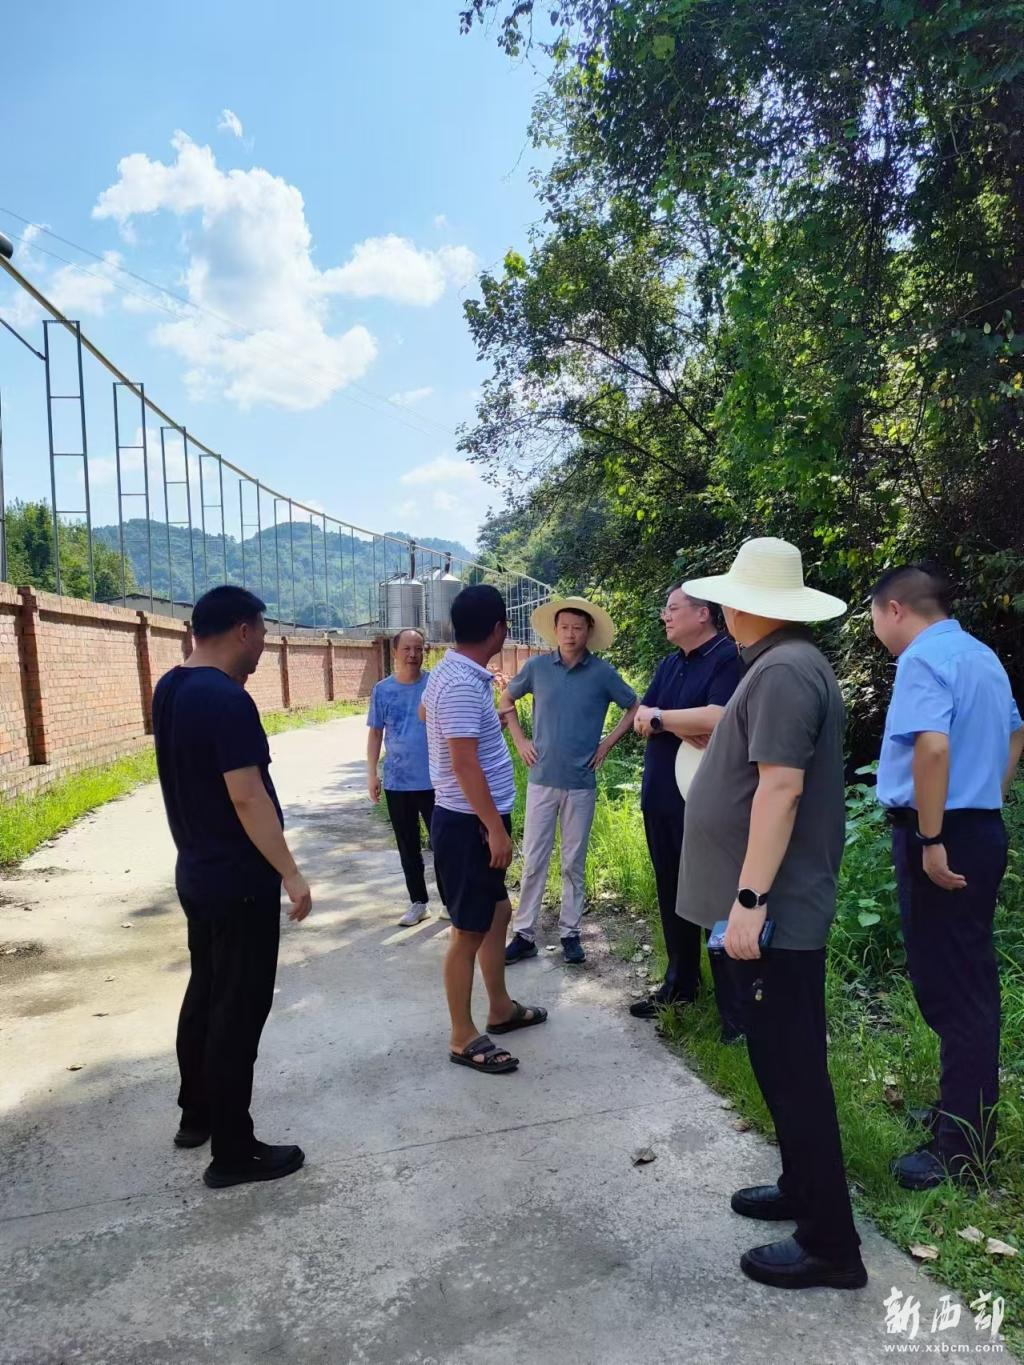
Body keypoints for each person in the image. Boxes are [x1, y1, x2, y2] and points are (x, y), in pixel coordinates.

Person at [676, 538, 867, 1291]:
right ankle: (800, 1187)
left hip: (774, 911)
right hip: (764, 910)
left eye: (730, 597)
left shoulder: (785, 670)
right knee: (774, 1058)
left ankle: (831, 1246)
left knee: (795, 1072)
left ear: (752, 606)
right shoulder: (779, 663)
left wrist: (750, 901)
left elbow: (780, 789)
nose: (723, 608)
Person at [152, 586, 311, 1190]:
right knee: (237, 1010)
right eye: (263, 633)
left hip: (196, 871)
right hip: (239, 880)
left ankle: (196, 1114)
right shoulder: (226, 700)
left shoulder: (171, 687)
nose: (265, 645)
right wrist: (290, 872)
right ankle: (233, 1150)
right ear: (242, 630)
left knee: (206, 992)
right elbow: (246, 796)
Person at [871, 564, 1023, 1190]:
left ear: (895, 609)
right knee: (966, 981)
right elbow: (1016, 732)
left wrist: (933, 837)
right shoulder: (980, 655)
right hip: (976, 827)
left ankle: (961, 1151)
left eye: (875, 616)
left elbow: (931, 747)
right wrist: (987, 796)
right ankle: (961, 1113)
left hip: (941, 836)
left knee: (953, 991)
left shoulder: (922, 659)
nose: (877, 629)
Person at [423, 584, 548, 1075]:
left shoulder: (453, 673)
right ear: (498, 629)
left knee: (497, 912)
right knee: (467, 931)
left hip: (474, 818)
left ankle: (500, 1008)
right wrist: (494, 828)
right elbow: (463, 764)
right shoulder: (459, 683)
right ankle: (462, 1036)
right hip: (468, 823)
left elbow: (426, 713)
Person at [629, 587, 744, 1035]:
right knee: (671, 889)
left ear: (703, 613)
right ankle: (680, 984)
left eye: (673, 609)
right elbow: (641, 713)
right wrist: (674, 721)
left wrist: (663, 720)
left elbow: (720, 717)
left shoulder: (727, 659)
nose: (665, 616)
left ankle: (735, 1006)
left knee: (714, 895)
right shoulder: (670, 663)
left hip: (703, 801)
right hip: (660, 797)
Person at [500, 596, 638, 966]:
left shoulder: (602, 673)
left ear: (588, 631)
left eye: (577, 628)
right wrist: (520, 741)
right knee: (534, 858)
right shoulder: (537, 668)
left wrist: (606, 744)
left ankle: (571, 932)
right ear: (555, 630)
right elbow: (506, 700)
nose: (570, 634)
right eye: (564, 627)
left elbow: (634, 706)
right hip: (542, 778)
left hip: (581, 781)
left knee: (573, 861)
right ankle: (524, 934)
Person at [367, 627, 447, 926]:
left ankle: (450, 902)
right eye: (407, 649)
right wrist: (372, 773)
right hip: (397, 781)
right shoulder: (382, 690)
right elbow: (376, 733)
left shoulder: (434, 684)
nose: (413, 654)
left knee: (443, 844)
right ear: (395, 652)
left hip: (436, 781)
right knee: (408, 846)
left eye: (418, 649)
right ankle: (418, 903)